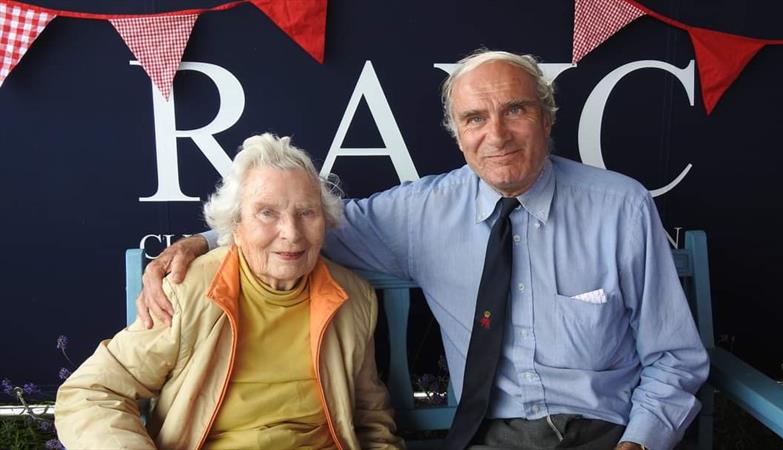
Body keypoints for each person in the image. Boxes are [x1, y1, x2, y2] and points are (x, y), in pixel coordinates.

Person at [138, 50, 709, 450]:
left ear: (547, 116)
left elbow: (675, 357)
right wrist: (200, 241)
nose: (497, 133)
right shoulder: (423, 213)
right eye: (474, 118)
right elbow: (302, 226)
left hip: (610, 432)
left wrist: (640, 443)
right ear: (456, 132)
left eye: (515, 109)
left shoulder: (621, 207)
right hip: (492, 436)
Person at [55, 133, 403, 450]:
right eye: (267, 213)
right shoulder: (188, 290)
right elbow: (90, 392)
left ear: (325, 221)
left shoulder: (353, 298)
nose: (291, 233)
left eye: (306, 212)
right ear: (236, 226)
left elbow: (370, 419)